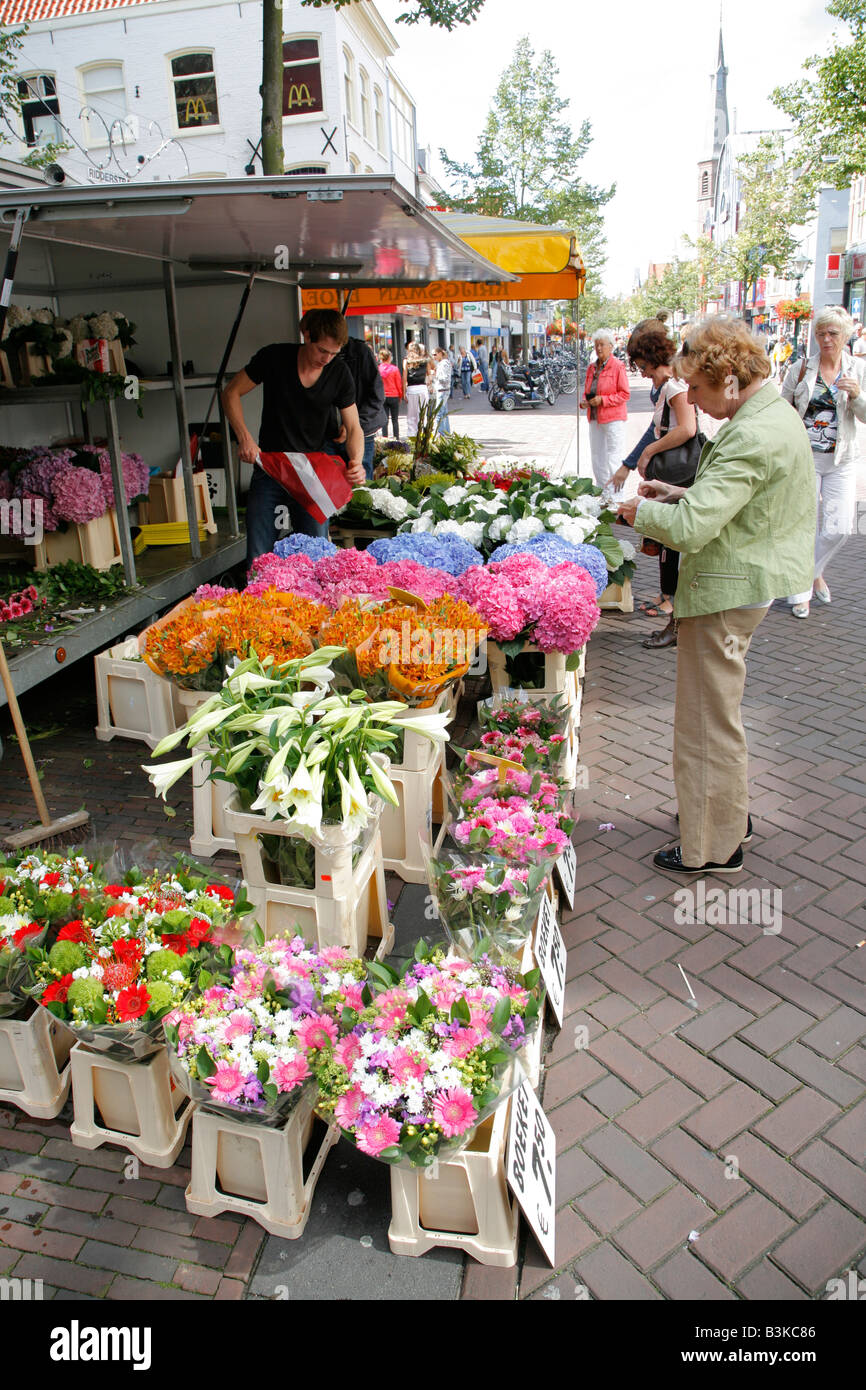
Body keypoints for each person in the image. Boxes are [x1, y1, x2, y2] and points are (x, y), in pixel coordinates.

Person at [617, 315, 815, 875]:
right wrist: (679, 493)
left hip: (726, 588)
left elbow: (693, 530)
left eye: (698, 389)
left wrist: (639, 509)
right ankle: (727, 815)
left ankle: (711, 847)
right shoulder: (774, 415)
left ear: (727, 376)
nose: (695, 402)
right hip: (746, 580)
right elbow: (739, 502)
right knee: (718, 715)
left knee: (706, 722)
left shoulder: (751, 433)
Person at [222, 308, 364, 568]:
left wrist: (356, 461)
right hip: (270, 468)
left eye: (334, 353)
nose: (327, 359)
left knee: (317, 555)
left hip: (312, 473)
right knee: (259, 555)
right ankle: (258, 604)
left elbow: (353, 427)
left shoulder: (339, 371)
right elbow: (230, 392)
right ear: (306, 335)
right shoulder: (274, 357)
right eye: (322, 350)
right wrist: (245, 438)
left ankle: (314, 607)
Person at [611, 325, 698, 649]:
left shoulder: (674, 385)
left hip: (680, 474)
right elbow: (657, 427)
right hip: (673, 473)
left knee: (672, 542)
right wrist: (633, 461)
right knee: (666, 542)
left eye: (642, 366)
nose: (643, 373)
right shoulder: (666, 386)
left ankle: (673, 611)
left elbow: (687, 428)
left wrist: (648, 452)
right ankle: (669, 604)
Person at [780, 304, 866, 617]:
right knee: (804, 526)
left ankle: (811, 572)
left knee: (842, 526)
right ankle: (800, 593)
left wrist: (857, 395)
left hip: (842, 459)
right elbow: (781, 409)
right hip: (805, 458)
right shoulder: (800, 368)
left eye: (832, 333)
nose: (826, 339)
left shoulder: (858, 370)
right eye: (820, 333)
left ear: (845, 336)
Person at [580, 328, 631, 489]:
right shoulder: (591, 368)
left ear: (610, 346)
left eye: (602, 345)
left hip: (613, 417)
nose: (599, 348)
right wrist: (585, 401)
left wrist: (603, 400)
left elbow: (624, 394)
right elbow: (589, 390)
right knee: (597, 456)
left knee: (614, 456)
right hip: (595, 417)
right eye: (596, 345)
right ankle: (603, 490)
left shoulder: (617, 366)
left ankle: (617, 495)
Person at [335, 333, 385, 480]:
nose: (326, 357)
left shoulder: (359, 352)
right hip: (331, 435)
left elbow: (377, 395)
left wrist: (355, 423)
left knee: (361, 484)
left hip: (362, 431)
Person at [403, 342, 431, 435]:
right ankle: (423, 434)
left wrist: (404, 392)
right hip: (422, 389)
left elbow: (404, 377)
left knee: (411, 415)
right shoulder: (425, 360)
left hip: (411, 389)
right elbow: (429, 374)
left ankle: (412, 435)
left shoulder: (406, 361)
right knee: (422, 413)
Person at [378, 348, 403, 441]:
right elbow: (398, 384)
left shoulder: (378, 369)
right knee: (395, 419)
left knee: (385, 420)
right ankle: (396, 438)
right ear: (389, 357)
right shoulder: (394, 369)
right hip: (394, 395)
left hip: (383, 396)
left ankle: (385, 438)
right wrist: (400, 395)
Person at [432, 347, 453, 435]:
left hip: (442, 390)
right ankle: (446, 433)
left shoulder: (444, 363)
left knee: (438, 413)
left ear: (440, 353)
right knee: (444, 413)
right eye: (432, 355)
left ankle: (440, 434)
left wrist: (435, 375)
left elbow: (445, 379)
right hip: (443, 389)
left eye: (435, 354)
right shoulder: (442, 363)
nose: (434, 357)